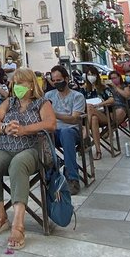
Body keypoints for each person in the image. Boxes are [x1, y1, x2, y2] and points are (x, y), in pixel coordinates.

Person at [0, 68, 57, 250]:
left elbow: (50, 123)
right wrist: (5, 127)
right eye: (16, 83)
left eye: (22, 83)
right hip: (5, 148)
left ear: (31, 85)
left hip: (32, 149)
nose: (18, 87)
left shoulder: (42, 103)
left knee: (18, 164)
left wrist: (25, 129)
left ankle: (18, 224)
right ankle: (0, 216)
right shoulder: (9, 102)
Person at [43, 65, 86, 195]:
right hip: (54, 131)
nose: (56, 83)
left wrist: (54, 114)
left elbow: (74, 119)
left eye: (59, 80)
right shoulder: (49, 95)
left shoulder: (77, 96)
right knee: (41, 135)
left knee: (66, 133)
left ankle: (73, 178)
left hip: (72, 131)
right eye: (54, 81)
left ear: (66, 79)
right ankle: (51, 171)